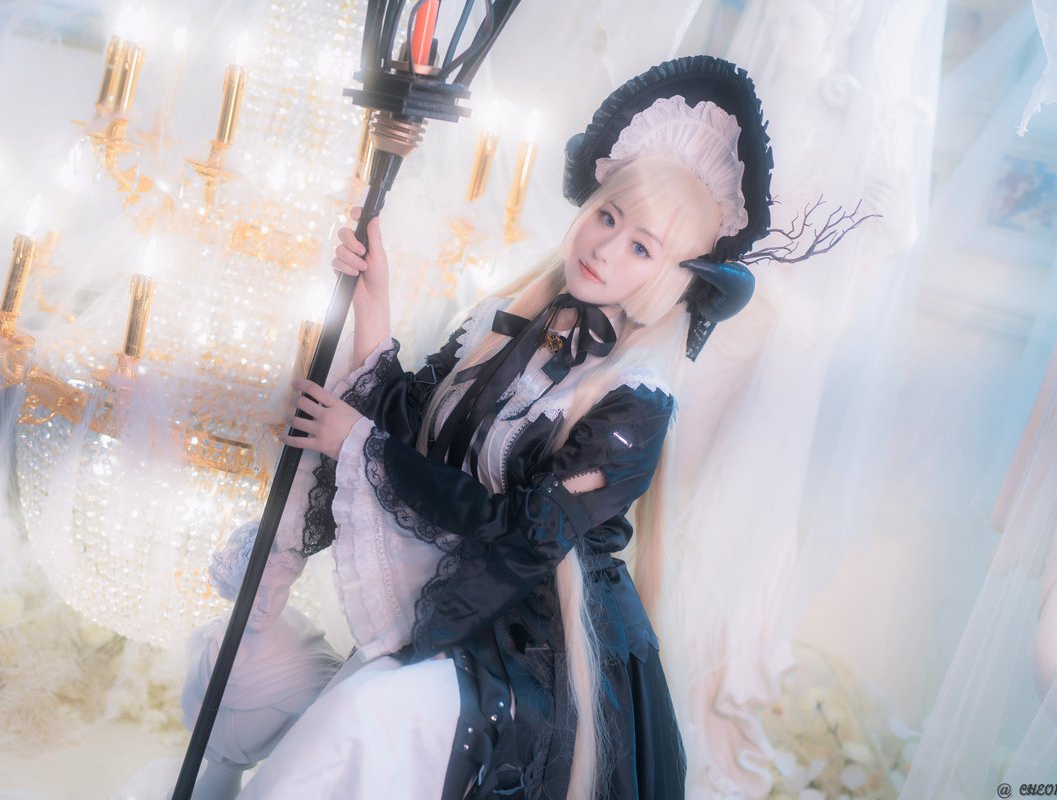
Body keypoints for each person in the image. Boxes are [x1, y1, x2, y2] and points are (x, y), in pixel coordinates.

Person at [241, 56, 773, 799]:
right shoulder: (508, 324)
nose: (604, 248)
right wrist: (374, 302)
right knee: (335, 725)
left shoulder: (635, 405)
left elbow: (522, 533)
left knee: (359, 724)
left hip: (542, 640)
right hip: (458, 592)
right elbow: (416, 428)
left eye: (641, 247)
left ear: (672, 277)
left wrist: (359, 445)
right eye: (608, 217)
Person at [181, 520, 343, 800]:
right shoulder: (204, 641)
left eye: (281, 590)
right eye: (258, 589)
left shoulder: (310, 666)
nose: (267, 605)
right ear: (235, 583)